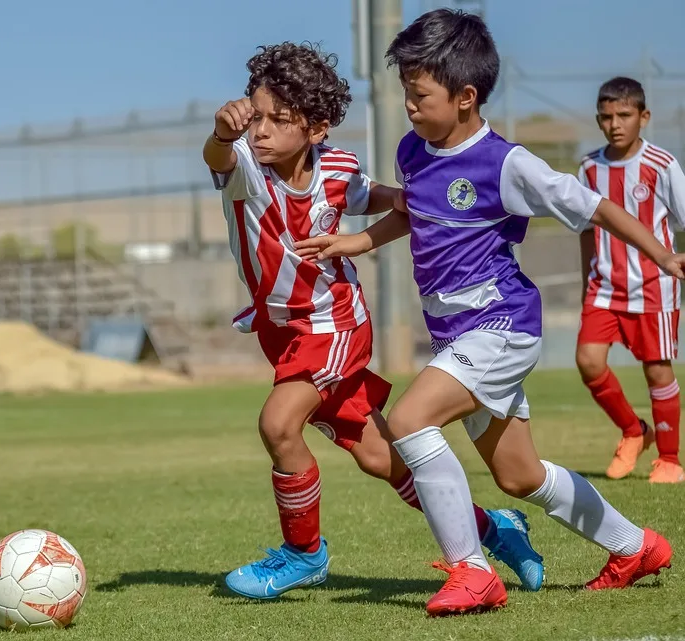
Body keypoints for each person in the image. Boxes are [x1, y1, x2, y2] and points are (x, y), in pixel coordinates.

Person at [294, 10, 676, 616]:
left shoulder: (508, 164)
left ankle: (473, 572)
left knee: (411, 420)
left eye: (419, 95)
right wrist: (356, 242)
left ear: (467, 97)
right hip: (457, 335)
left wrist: (665, 254)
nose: (409, 106)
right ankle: (638, 546)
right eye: (405, 93)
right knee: (519, 477)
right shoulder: (412, 151)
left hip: (500, 326)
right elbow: (416, 212)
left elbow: (597, 208)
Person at [202, 40, 543, 601]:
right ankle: (495, 529)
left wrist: (412, 199)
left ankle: (303, 554)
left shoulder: (334, 166)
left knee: (279, 424)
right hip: (282, 331)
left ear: (316, 129)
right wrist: (221, 132)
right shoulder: (243, 165)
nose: (259, 131)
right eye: (255, 116)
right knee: (381, 457)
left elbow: (372, 196)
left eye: (277, 120)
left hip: (332, 323)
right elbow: (219, 158)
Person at [575, 76, 685, 483]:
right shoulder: (588, 167)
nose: (615, 124)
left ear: (644, 117)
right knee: (588, 361)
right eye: (606, 117)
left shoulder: (661, 165)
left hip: (654, 285)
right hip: (603, 286)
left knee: (657, 371)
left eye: (624, 115)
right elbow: (585, 227)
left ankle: (670, 460)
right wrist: (586, 275)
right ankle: (634, 431)